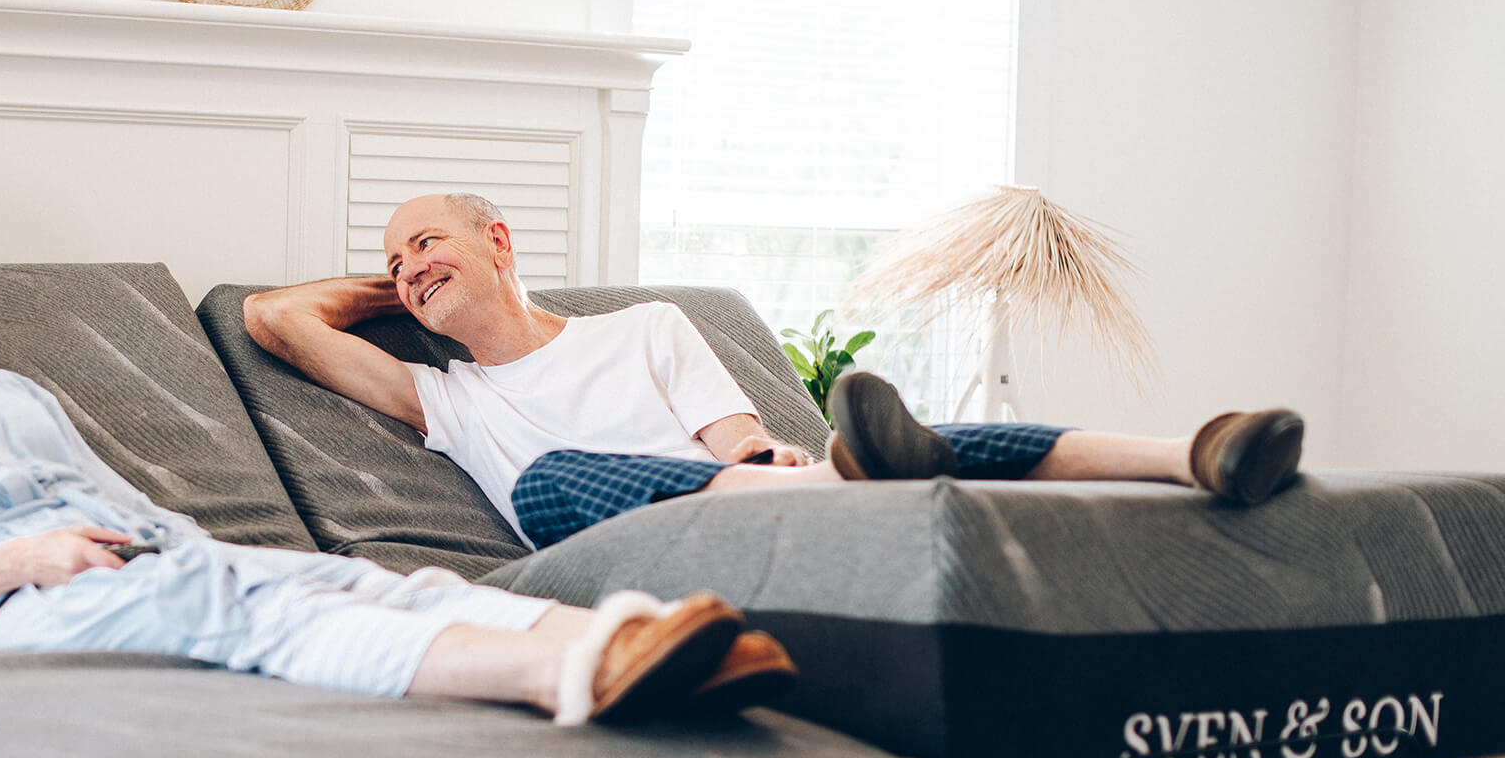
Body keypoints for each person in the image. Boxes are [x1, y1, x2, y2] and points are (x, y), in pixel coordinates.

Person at [0, 233, 797, 724]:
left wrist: (198, 543)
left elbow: (119, 502)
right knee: (229, 605)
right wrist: (20, 560)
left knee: (361, 581)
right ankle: (557, 676)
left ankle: (636, 644)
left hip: (130, 562)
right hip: (7, 611)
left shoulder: (5, 390)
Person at [242, 192, 1305, 549]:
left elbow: (732, 442)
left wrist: (773, 461)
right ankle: (858, 475)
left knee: (898, 451)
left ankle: (1198, 453)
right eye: (391, 260)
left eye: (426, 241)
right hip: (606, 534)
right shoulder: (450, 399)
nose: (407, 264)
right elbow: (270, 317)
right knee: (551, 474)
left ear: (501, 239)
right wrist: (409, 290)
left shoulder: (647, 328)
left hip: (743, 505)